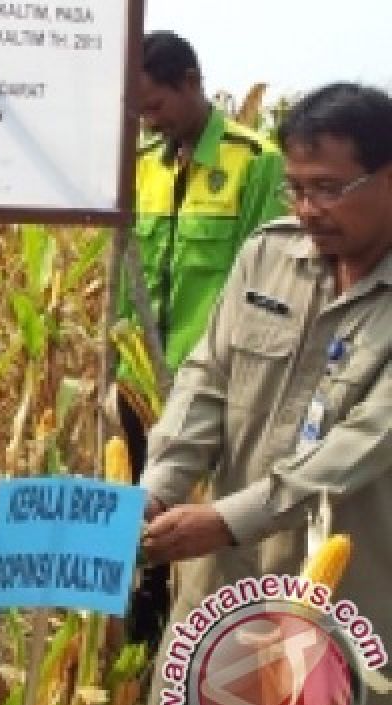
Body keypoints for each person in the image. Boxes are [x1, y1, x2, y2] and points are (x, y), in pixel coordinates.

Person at [127, 82, 392, 705]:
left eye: (331, 189)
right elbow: (206, 379)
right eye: (296, 190)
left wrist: (224, 516)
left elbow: (364, 443)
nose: (308, 210)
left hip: (346, 593)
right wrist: (160, 489)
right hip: (225, 576)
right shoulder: (270, 254)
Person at [121, 31, 287, 648]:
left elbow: (265, 285)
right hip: (137, 379)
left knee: (208, 519)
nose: (148, 121)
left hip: (215, 385)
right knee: (143, 502)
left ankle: (204, 635)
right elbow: (125, 270)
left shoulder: (256, 162)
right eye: (138, 113)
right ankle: (141, 630)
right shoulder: (140, 166)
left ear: (190, 82)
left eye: (155, 106)